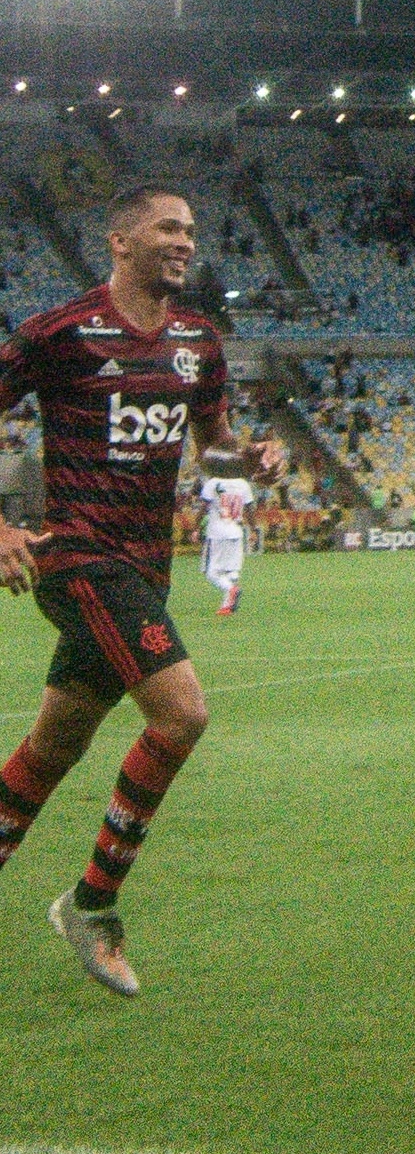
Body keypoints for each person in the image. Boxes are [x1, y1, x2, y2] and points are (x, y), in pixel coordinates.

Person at [0, 184, 285, 998]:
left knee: (53, 747)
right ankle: (92, 904)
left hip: (143, 570)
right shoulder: (62, 332)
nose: (185, 241)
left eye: (192, 229)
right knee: (183, 714)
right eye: (169, 226)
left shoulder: (200, 340)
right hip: (81, 560)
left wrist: (249, 462)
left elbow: (212, 451)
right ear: (120, 240)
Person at [199, 455, 258, 613]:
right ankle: (227, 605)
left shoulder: (213, 483)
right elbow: (250, 509)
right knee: (232, 571)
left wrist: (195, 528)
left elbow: (203, 507)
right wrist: (253, 530)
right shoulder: (243, 484)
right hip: (236, 532)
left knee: (211, 572)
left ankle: (231, 590)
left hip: (217, 532)